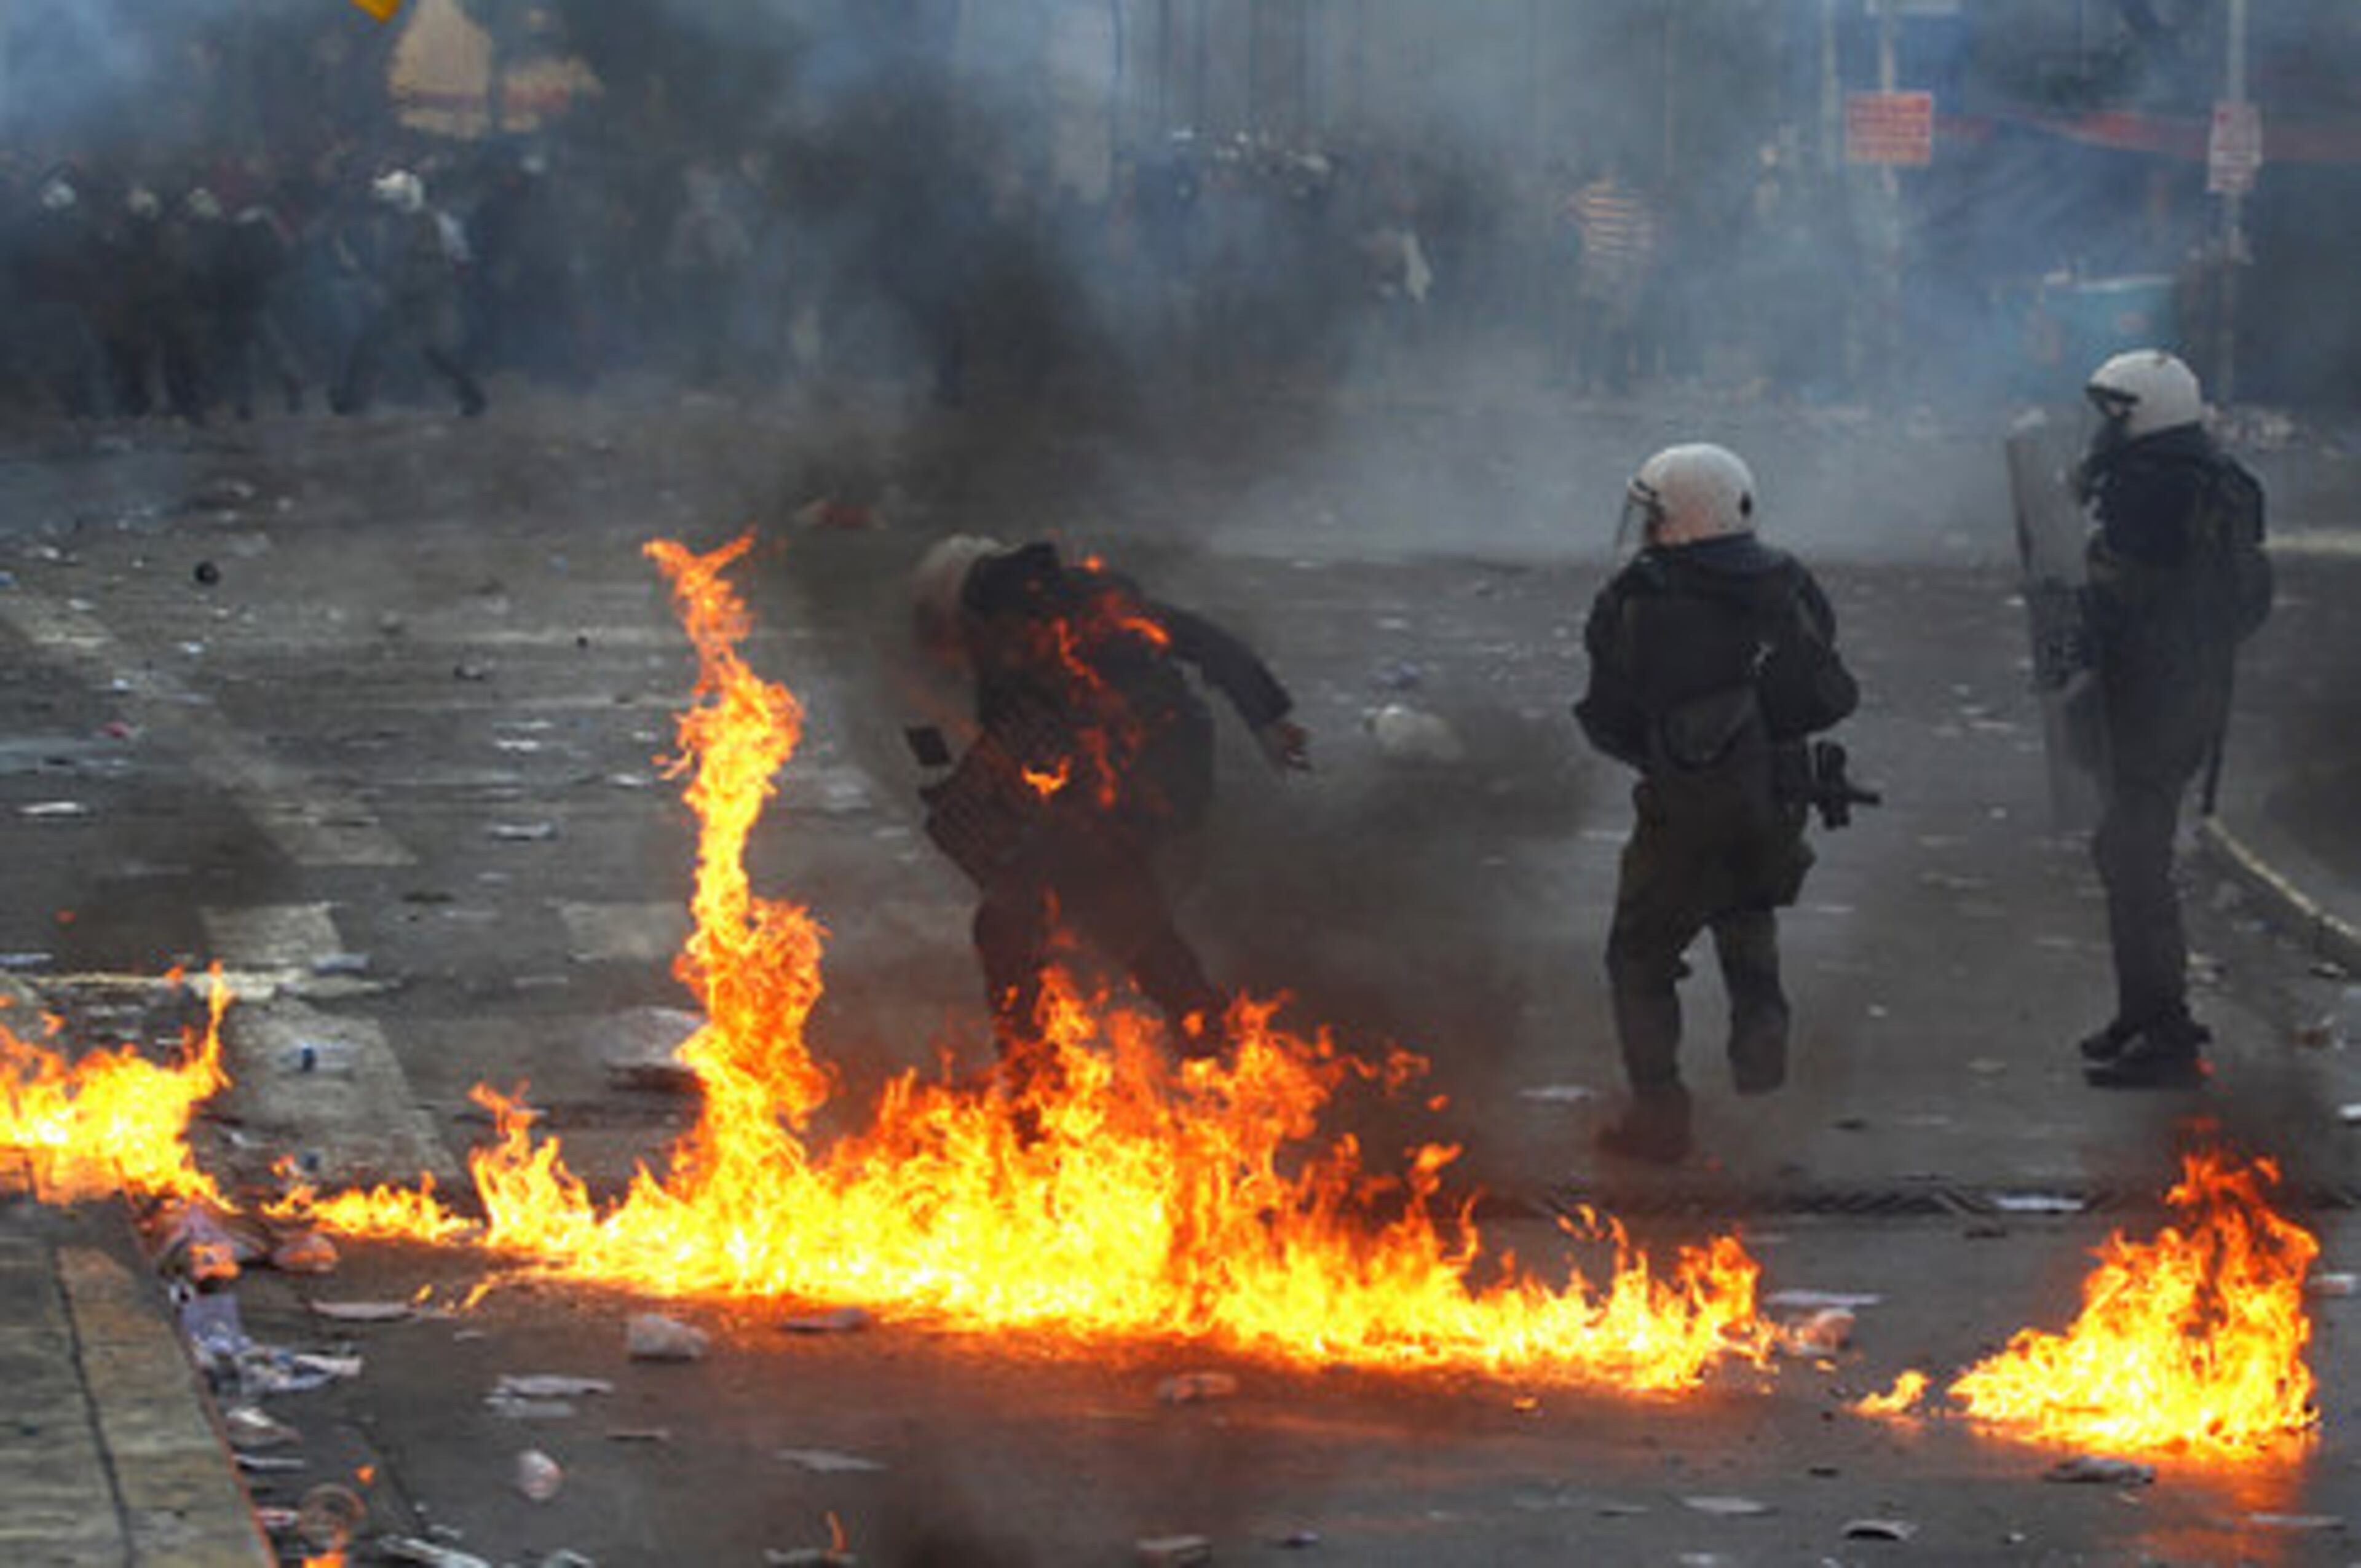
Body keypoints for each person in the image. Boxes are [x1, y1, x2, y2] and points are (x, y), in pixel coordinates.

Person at [908, 536, 1310, 1082]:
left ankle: (1039, 1090)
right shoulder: (1010, 642)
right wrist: (966, 795)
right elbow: (1011, 738)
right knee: (1107, 896)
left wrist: (1268, 718)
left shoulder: (1065, 607)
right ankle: (1199, 1018)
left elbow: (1205, 642)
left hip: (1148, 774)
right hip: (1115, 784)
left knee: (1010, 919)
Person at [1574, 444, 1860, 1162]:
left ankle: (1660, 1117)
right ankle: (1760, 1025)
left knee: (1639, 957)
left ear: (1675, 517)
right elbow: (1823, 689)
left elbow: (1610, 711)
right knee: (1746, 905)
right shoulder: (1788, 582)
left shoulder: (1641, 599)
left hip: (1684, 804)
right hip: (1776, 796)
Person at [2070, 349, 2272, 1088]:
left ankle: (2165, 1029)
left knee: (2133, 858)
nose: (2105, 429)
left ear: (2145, 412)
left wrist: (2080, 628)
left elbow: (2119, 601)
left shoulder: (2149, 491)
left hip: (2152, 699)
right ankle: (2144, 1011)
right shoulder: (2214, 479)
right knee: (2127, 852)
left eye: (2116, 414)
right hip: (2189, 695)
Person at [329, 169, 486, 419]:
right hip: (407, 298)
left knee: (434, 352)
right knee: (372, 343)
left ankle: (473, 396)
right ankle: (353, 400)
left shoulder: (433, 223)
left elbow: (451, 262)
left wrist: (428, 286)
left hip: (428, 299)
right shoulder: (403, 225)